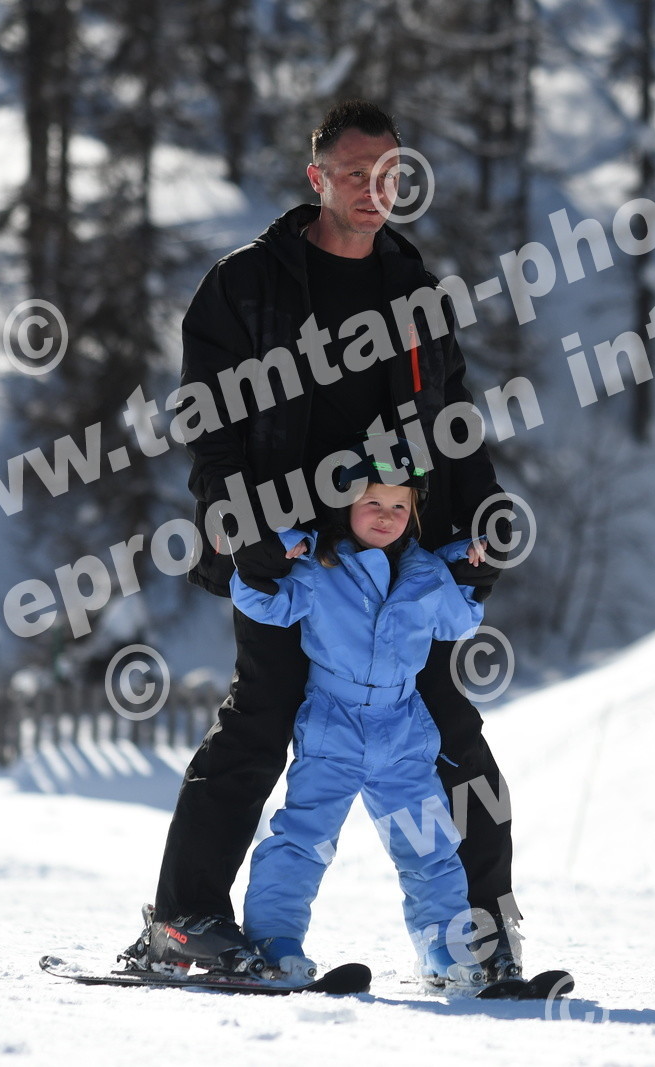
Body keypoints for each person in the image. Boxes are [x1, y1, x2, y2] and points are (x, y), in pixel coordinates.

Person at [120, 100, 522, 979]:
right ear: (317, 178)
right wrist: (242, 524)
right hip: (288, 552)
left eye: (391, 173)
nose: (376, 189)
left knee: (448, 729)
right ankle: (184, 922)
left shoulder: (414, 290)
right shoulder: (245, 285)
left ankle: (482, 938)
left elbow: (452, 418)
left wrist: (481, 513)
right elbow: (209, 426)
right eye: (356, 173)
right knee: (260, 721)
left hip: (394, 557)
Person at [233, 457, 490, 991]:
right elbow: (264, 604)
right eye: (372, 502)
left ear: (414, 514)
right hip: (335, 724)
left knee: (430, 845)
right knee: (304, 838)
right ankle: (274, 943)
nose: (386, 515)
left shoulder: (426, 574)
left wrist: (465, 567)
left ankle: (446, 951)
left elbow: (459, 621)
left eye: (399, 505)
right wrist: (263, 555)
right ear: (345, 505)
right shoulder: (320, 566)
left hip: (402, 730)